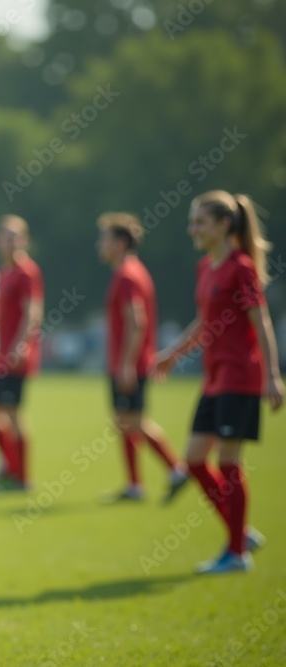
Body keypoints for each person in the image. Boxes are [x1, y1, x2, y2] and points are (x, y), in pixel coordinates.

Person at [153, 190, 283, 574]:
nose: (192, 229)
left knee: (228, 462)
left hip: (240, 377)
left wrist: (272, 375)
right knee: (194, 461)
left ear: (224, 225)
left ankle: (237, 553)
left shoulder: (241, 268)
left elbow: (262, 322)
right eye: (192, 222)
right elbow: (204, 322)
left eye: (200, 222)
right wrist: (173, 353)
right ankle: (239, 533)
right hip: (214, 379)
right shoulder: (205, 267)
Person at [96, 213, 188, 502]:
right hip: (127, 363)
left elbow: (138, 323)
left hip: (130, 364)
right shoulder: (131, 272)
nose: (99, 245)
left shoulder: (127, 275)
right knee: (125, 422)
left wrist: (125, 364)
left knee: (134, 422)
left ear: (121, 243)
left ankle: (176, 469)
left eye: (104, 239)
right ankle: (135, 486)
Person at [0, 215, 43, 492]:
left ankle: (22, 479)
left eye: (14, 236)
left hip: (15, 357)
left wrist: (21, 345)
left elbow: (33, 312)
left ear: (24, 240)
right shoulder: (2, 272)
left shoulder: (27, 271)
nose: (10, 241)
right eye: (5, 236)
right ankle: (9, 466)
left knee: (14, 414)